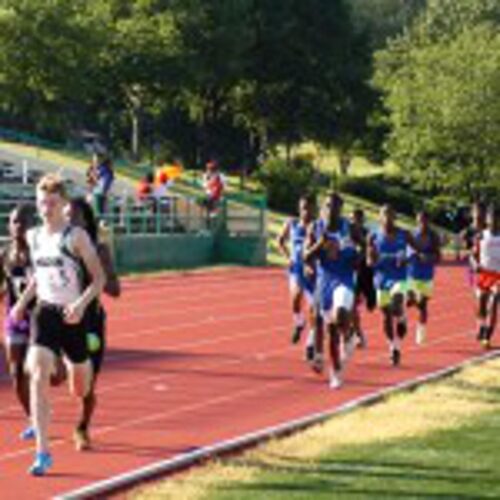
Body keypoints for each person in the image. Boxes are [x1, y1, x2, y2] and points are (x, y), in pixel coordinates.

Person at [11, 174, 105, 476]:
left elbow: (99, 278)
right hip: (46, 313)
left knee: (80, 389)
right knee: (36, 372)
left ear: (63, 204)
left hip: (73, 315)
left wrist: (79, 304)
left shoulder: (76, 236)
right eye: (42, 203)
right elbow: (39, 276)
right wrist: (22, 304)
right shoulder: (34, 236)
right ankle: (42, 452)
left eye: (52, 203)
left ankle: (81, 365)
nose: (46, 208)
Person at [66, 197, 121, 450]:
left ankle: (82, 427)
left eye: (74, 216)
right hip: (60, 318)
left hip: (90, 322)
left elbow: (115, 289)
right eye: (65, 216)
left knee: (86, 385)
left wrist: (97, 276)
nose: (68, 221)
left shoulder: (99, 250)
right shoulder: (56, 248)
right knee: (48, 371)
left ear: (86, 221)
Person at [305, 193, 358, 389]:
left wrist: (359, 256)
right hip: (324, 281)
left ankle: (350, 332)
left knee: (341, 314)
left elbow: (364, 248)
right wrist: (320, 244)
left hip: (344, 279)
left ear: (340, 209)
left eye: (334, 206)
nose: (330, 210)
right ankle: (336, 372)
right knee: (330, 331)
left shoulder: (349, 228)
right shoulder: (315, 228)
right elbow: (305, 256)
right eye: (327, 206)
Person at [0, 205, 35, 439]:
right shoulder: (5, 253)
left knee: (47, 374)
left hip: (40, 315)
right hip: (14, 316)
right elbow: (4, 284)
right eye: (14, 222)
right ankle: (34, 419)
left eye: (23, 222)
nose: (18, 226)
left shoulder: (39, 251)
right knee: (15, 372)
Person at [367, 205, 418, 366]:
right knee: (386, 315)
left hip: (399, 277)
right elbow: (369, 261)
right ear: (380, 218)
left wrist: (406, 259)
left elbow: (415, 252)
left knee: (396, 303)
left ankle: (402, 317)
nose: (388, 218)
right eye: (385, 215)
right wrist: (373, 259)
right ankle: (393, 346)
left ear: (395, 217)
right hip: (381, 278)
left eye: (391, 215)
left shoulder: (404, 234)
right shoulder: (373, 236)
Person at [277, 196, 317, 354]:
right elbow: (280, 241)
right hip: (296, 269)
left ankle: (311, 341)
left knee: (314, 308)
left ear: (314, 209)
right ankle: (299, 323)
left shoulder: (317, 226)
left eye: (308, 208)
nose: (305, 211)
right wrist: (287, 258)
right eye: (303, 208)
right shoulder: (291, 223)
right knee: (295, 299)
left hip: (313, 271)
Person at [406, 210, 441, 345]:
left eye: (425, 221)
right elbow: (406, 251)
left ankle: (421, 331)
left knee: (423, 305)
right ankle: (411, 302)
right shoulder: (412, 235)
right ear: (416, 221)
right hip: (412, 273)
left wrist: (429, 257)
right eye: (420, 221)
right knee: (410, 300)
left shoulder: (434, 236)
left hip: (427, 275)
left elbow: (438, 256)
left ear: (429, 221)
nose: (422, 224)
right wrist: (411, 255)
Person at [461, 201, 487, 339]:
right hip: (474, 269)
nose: (479, 215)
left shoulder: (491, 229)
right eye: (476, 212)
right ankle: (481, 325)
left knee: (488, 300)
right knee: (479, 298)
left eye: (481, 212)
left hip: (491, 268)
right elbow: (466, 252)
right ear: (472, 214)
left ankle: (484, 323)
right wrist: (474, 260)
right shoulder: (468, 232)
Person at [475, 204, 500, 348]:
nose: (494, 221)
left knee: (494, 301)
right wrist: (475, 265)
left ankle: (487, 336)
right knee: (481, 305)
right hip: (484, 274)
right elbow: (473, 255)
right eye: (492, 218)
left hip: (498, 276)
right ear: (487, 220)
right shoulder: (481, 235)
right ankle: (482, 326)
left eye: (497, 218)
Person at [350, 208, 376, 348]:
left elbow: (373, 254)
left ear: (362, 220)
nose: (354, 222)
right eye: (351, 220)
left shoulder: (369, 234)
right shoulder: (347, 234)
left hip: (367, 273)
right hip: (351, 274)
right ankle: (358, 334)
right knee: (351, 305)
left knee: (372, 305)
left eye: (356, 219)